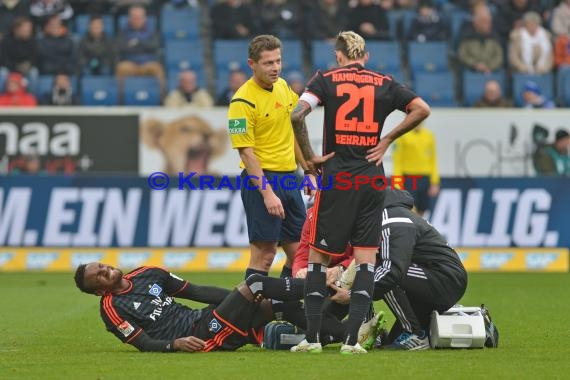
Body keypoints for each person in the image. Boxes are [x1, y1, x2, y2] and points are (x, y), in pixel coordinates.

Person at [290, 31, 430, 354]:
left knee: (317, 258)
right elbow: (421, 108)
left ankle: (312, 339)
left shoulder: (325, 79)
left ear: (339, 56)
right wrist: (387, 140)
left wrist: (310, 157)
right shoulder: (385, 82)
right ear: (365, 57)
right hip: (372, 179)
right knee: (366, 258)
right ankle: (353, 342)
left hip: (338, 179)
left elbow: (297, 114)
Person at [74, 262, 375, 352]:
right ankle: (327, 286)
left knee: (278, 303)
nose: (106, 270)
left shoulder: (146, 274)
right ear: (99, 289)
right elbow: (142, 342)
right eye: (99, 275)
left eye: (102, 265)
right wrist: (174, 344)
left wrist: (238, 300)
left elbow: (197, 291)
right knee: (256, 282)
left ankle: (350, 334)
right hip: (201, 336)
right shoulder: (112, 309)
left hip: (207, 318)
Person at [329, 190, 468, 350]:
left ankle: (415, 335)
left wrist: (352, 295)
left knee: (386, 271)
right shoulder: (387, 215)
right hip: (428, 278)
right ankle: (375, 327)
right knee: (391, 341)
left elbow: (392, 271)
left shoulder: (392, 221)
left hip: (446, 279)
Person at [227, 35, 315, 281]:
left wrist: (308, 171)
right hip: (261, 182)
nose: (275, 67)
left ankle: (280, 309)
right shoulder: (241, 101)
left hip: (289, 179)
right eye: (268, 63)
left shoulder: (284, 88)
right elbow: (246, 152)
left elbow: (295, 132)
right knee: (264, 255)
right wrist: (267, 193)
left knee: (300, 256)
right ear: (251, 64)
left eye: (278, 61)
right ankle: (243, 317)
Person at [391, 122, 439, 217]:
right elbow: (397, 162)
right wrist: (397, 184)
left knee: (422, 210)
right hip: (409, 179)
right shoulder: (401, 136)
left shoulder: (428, 135)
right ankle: (412, 230)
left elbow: (433, 160)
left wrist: (435, 182)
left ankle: (418, 231)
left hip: (425, 178)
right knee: (411, 210)